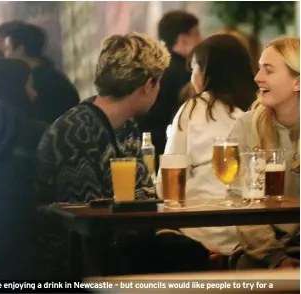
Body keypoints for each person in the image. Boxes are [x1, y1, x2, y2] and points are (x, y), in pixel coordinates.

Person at [36, 32, 209, 278]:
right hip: (74, 263)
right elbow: (86, 218)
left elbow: (143, 193)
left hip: (117, 247)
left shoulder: (127, 126)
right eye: (158, 82)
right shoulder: (76, 130)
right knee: (186, 257)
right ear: (148, 85)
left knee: (189, 252)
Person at [156, 34, 258, 255]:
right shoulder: (258, 108)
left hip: (200, 233)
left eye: (194, 69)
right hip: (254, 233)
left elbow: (166, 183)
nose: (192, 77)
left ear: (206, 74)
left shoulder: (194, 108)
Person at [229, 36, 300, 269]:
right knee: (249, 266)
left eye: (268, 70)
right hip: (262, 252)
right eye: (259, 69)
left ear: (297, 82)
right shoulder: (246, 126)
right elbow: (240, 202)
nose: (257, 77)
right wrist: (276, 257)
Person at [0, 58, 47, 279]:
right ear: (12, 89)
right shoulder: (36, 134)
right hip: (28, 254)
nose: (34, 94)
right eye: (28, 86)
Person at [136, 10, 202, 170]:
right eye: (197, 34)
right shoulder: (187, 74)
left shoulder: (155, 70)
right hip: (173, 158)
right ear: (183, 39)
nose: (202, 39)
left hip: (147, 153)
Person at [3, 23, 80, 123]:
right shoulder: (57, 78)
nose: (6, 55)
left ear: (20, 50)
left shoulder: (38, 83)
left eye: (8, 49)